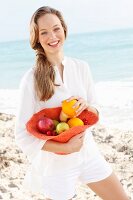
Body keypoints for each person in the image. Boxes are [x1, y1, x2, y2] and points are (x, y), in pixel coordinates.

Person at [15, 6, 129, 200]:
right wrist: (65, 148)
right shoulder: (31, 79)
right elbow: (22, 135)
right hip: (57, 166)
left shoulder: (81, 67)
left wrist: (87, 107)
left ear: (64, 30)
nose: (52, 36)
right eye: (44, 32)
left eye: (56, 28)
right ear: (37, 38)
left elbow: (96, 111)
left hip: (89, 154)